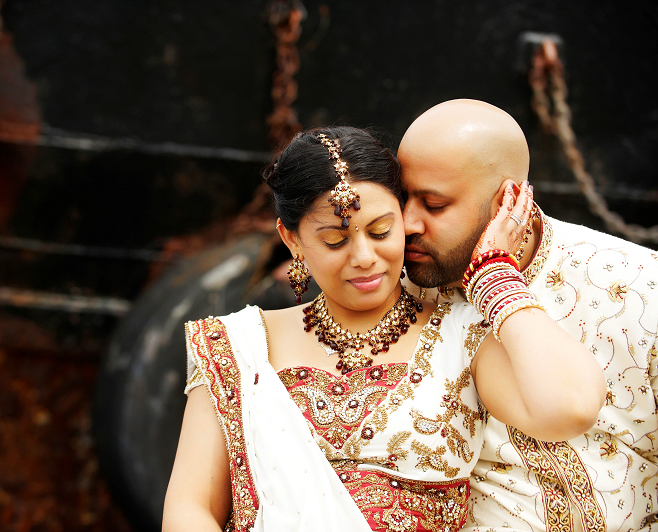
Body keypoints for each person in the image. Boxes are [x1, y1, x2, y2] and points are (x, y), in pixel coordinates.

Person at [162, 126, 605, 532]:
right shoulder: (235, 348)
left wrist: (496, 278)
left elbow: (569, 408)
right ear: (291, 239)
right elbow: (190, 507)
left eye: (381, 231)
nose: (364, 257)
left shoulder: (459, 334)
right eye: (335, 240)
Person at [397, 99, 658, 532]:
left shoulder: (639, 287)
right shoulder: (391, 289)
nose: (407, 223)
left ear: (508, 199)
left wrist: (494, 282)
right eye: (402, 197)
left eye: (434, 204)